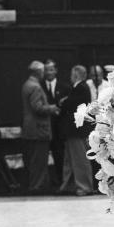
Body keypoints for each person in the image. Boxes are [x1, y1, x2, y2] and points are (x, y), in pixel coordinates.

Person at [21, 61, 59, 194]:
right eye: (43, 71)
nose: (44, 74)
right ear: (38, 72)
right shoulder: (35, 87)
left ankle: (37, 185)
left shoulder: (27, 84)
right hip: (39, 129)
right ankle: (37, 187)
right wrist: (53, 108)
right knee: (39, 160)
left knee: (35, 160)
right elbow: (37, 108)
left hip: (31, 128)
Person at [57, 65, 94, 195]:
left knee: (79, 159)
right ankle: (69, 185)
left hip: (76, 130)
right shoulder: (80, 87)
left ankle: (84, 187)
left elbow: (73, 104)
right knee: (70, 159)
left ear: (76, 75)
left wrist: (64, 102)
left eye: (72, 74)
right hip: (73, 130)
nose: (70, 76)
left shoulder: (81, 87)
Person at [41, 59, 68, 187]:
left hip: (60, 128)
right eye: (46, 70)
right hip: (45, 127)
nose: (49, 72)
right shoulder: (39, 86)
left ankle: (61, 183)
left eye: (51, 69)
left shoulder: (64, 87)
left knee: (60, 155)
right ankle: (48, 184)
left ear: (56, 70)